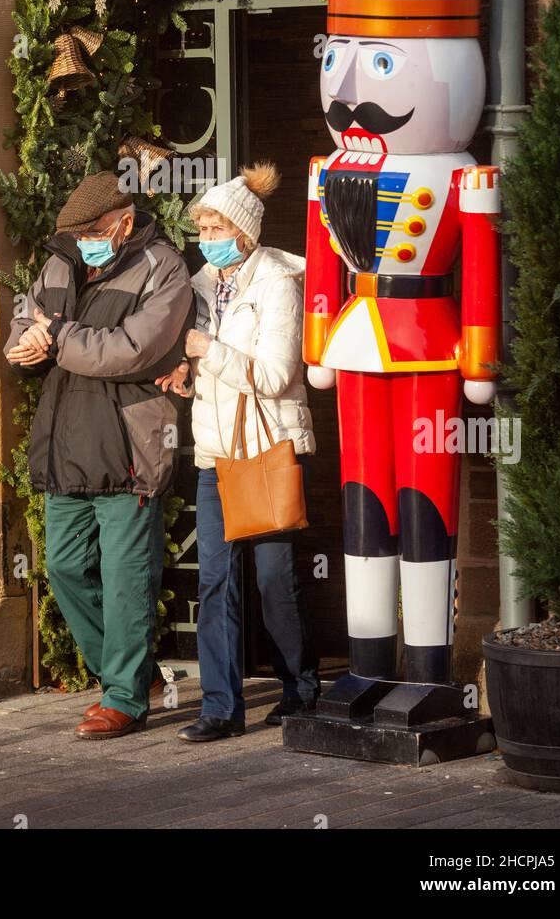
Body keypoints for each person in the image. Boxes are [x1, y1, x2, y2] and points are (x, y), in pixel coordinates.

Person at [4, 170, 194, 740]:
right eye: (78, 232)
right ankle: (133, 673)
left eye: (93, 230)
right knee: (62, 567)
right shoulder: (60, 261)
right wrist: (26, 342)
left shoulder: (165, 267)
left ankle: (124, 699)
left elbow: (133, 351)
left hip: (132, 446)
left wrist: (57, 337)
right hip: (68, 442)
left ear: (124, 223)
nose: (83, 240)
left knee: (125, 577)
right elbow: (26, 317)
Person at [162, 163, 320, 742]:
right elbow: (204, 358)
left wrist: (209, 350)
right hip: (215, 452)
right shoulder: (203, 284)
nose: (207, 240)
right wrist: (185, 367)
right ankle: (220, 708)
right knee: (215, 580)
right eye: (202, 228)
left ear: (245, 234)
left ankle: (300, 689)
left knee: (274, 579)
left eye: (216, 228)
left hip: (267, 446)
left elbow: (278, 375)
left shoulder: (277, 284)